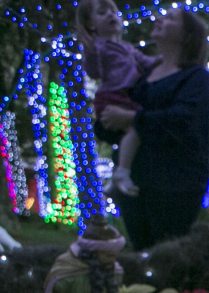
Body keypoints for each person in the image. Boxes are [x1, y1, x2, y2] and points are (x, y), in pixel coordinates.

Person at [100, 7, 209, 249]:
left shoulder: (197, 78)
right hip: (135, 187)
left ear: (186, 35)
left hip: (175, 187)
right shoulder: (142, 77)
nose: (159, 19)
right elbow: (117, 129)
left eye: (171, 18)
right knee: (142, 254)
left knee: (167, 256)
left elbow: (182, 121)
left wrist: (131, 118)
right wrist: (106, 119)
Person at [75, 0, 156, 197]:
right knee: (136, 126)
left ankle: (116, 174)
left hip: (124, 95)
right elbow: (93, 71)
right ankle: (122, 172)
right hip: (111, 97)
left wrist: (163, 60)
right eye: (102, 13)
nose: (111, 15)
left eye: (113, 11)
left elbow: (146, 62)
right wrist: (90, 51)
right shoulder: (98, 47)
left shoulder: (127, 47)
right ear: (91, 25)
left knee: (130, 132)